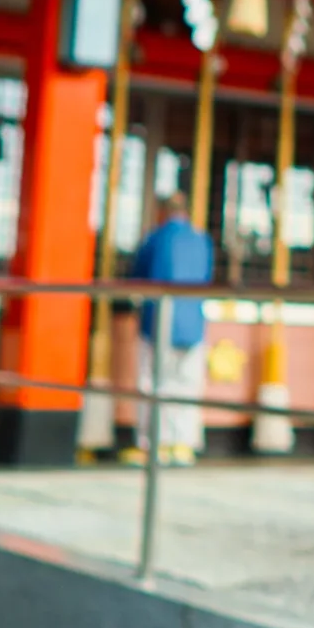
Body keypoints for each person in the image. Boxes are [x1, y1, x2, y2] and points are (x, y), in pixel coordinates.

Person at [129, 194, 213, 466]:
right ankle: (183, 444)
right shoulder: (202, 240)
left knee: (154, 383)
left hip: (158, 321)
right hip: (193, 324)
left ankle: (153, 443)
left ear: (162, 211)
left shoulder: (155, 238)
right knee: (186, 385)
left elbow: (137, 278)